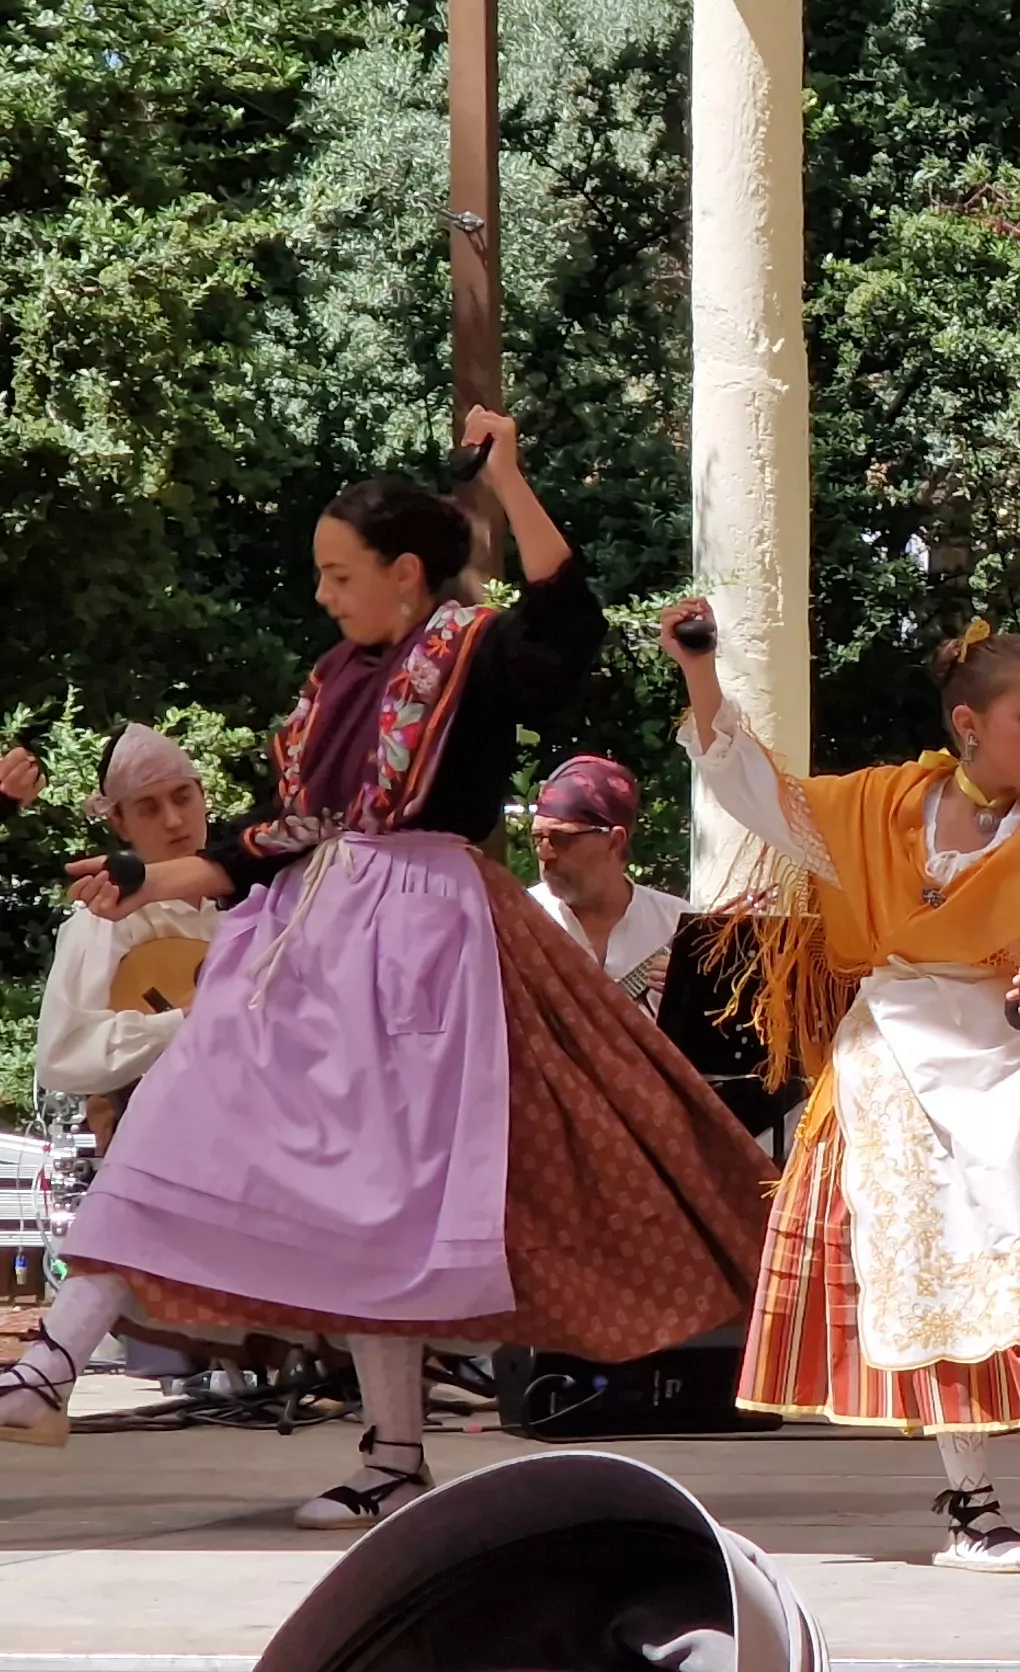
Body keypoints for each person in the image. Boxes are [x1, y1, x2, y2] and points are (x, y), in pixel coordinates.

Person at [3, 413, 772, 1531]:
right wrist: (145, 878)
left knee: (380, 1200)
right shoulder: (331, 681)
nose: (323, 595)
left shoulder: (475, 650)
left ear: (405, 573)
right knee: (179, 1116)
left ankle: (390, 1453)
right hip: (309, 941)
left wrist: (507, 477)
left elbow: (568, 628)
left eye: (339, 574)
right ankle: (54, 1365)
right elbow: (281, 835)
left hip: (419, 946)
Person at [676, 611, 1020, 1572]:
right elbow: (752, 786)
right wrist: (701, 670)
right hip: (892, 1053)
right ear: (969, 724)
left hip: (1008, 1048)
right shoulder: (876, 804)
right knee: (923, 1257)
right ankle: (972, 1503)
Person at [30, 727, 223, 1147]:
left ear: (203, 796)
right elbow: (62, 1057)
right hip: (159, 1145)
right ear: (119, 821)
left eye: (183, 797)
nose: (174, 820)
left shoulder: (251, 906)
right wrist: (186, 1021)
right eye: (148, 808)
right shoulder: (106, 919)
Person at [526, 754, 690, 1012]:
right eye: (538, 838)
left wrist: (691, 996)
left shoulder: (679, 925)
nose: (545, 854)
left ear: (615, 841)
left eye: (562, 839)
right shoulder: (517, 922)